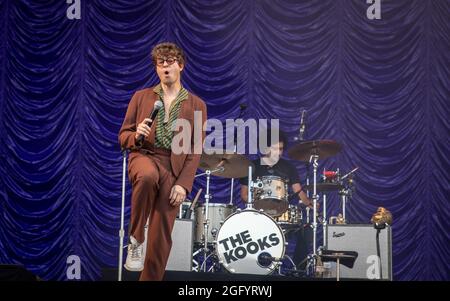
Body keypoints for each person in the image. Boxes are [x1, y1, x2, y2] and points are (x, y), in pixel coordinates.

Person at [118, 42, 207, 281]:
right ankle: (136, 238)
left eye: (170, 62)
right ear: (156, 69)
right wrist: (136, 135)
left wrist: (183, 184)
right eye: (160, 63)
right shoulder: (142, 97)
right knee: (147, 176)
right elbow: (123, 136)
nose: (165, 66)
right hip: (145, 155)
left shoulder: (197, 105)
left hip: (173, 166)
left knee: (161, 233)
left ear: (181, 65)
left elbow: (194, 149)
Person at [239, 130, 313, 269]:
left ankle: (300, 269)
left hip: (281, 213)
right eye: (275, 148)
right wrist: (256, 205)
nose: (278, 152)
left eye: (281, 149)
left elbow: (298, 191)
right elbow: (243, 194)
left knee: (305, 230)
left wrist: (309, 203)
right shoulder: (252, 167)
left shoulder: (288, 167)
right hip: (257, 214)